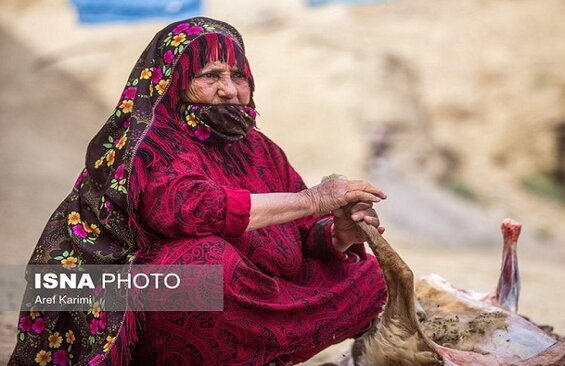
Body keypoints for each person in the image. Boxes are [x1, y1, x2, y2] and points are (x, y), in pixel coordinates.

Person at [9, 17, 388, 365]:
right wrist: (313, 200)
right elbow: (193, 209)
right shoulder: (147, 142)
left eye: (238, 75)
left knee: (369, 277)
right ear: (173, 80)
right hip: (101, 292)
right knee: (205, 263)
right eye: (210, 75)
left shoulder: (260, 149)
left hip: (235, 293)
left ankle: (251, 351)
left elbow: (305, 230)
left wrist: (338, 235)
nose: (228, 89)